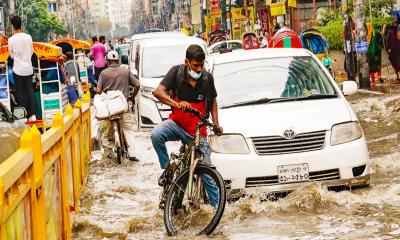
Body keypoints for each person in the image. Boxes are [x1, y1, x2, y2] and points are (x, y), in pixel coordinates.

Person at [151, 45, 223, 206]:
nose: (198, 69)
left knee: (209, 175)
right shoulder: (175, 72)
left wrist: (216, 124)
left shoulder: (207, 78)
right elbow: (158, 92)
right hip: (176, 125)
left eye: (201, 65)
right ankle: (168, 167)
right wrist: (177, 104)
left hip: (198, 132)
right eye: (195, 65)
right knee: (156, 135)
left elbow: (213, 102)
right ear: (187, 62)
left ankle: (217, 210)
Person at [96, 50, 140, 162]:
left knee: (106, 131)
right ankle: (132, 154)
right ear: (118, 60)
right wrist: (132, 96)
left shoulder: (103, 73)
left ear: (108, 61)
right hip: (123, 106)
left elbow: (98, 90)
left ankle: (107, 154)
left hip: (110, 108)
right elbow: (137, 84)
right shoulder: (126, 71)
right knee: (128, 129)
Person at [8, 15, 36, 121]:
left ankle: (23, 116)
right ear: (21, 24)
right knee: (30, 90)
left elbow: (11, 55)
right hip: (28, 68)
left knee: (20, 92)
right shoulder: (28, 37)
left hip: (18, 69)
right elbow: (32, 51)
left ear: (13, 27)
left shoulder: (11, 39)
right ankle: (32, 115)